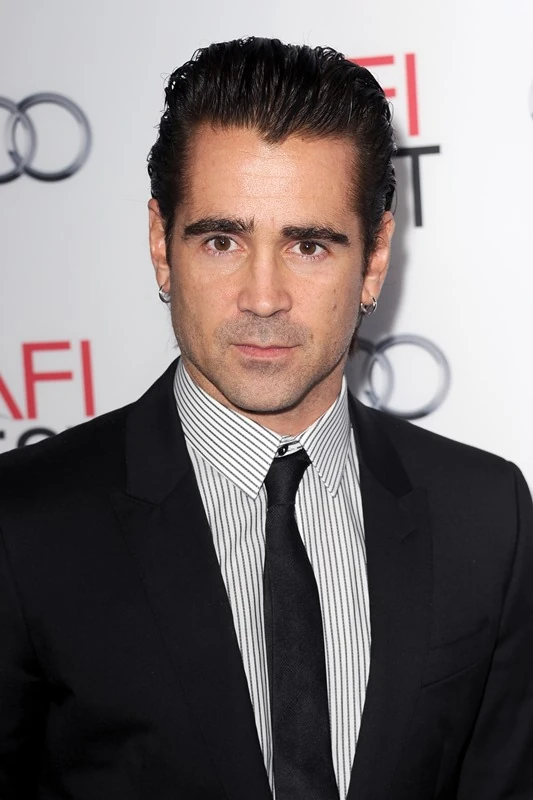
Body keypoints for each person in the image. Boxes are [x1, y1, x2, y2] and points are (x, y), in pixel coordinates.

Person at [0, 37, 532, 800]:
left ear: (374, 258)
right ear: (160, 244)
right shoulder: (23, 525)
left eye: (308, 245)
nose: (262, 297)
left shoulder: (484, 517)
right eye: (221, 240)